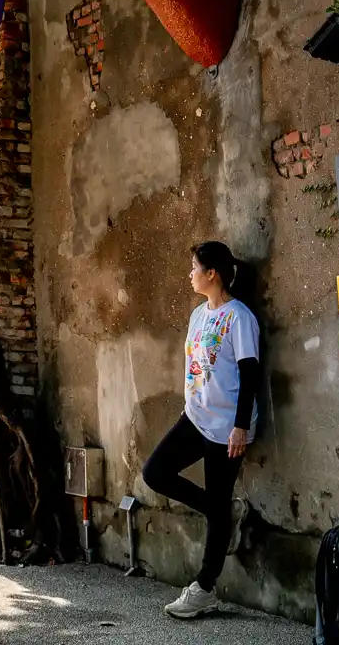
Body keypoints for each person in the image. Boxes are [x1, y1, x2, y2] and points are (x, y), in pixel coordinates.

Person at [144, 240, 261, 620]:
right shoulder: (198, 315)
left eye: (194, 267)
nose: (189, 273)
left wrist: (240, 427)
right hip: (194, 418)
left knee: (217, 506)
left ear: (213, 274)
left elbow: (250, 375)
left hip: (227, 426)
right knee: (155, 473)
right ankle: (224, 513)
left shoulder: (239, 317)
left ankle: (205, 588)